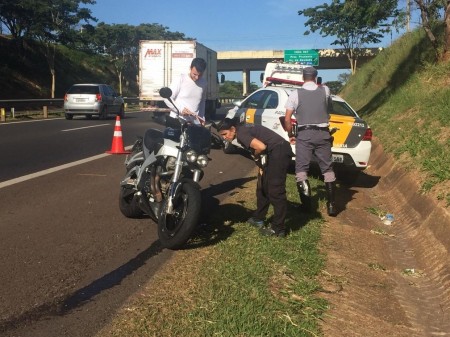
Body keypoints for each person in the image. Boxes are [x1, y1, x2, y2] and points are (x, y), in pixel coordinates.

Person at [218, 118, 294, 237]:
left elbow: (261, 147)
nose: (224, 138)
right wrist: (261, 165)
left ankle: (278, 228)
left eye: (225, 134)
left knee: (275, 191)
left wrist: (256, 156)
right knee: (262, 186)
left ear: (232, 129)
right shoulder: (242, 130)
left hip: (279, 152)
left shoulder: (242, 133)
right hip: (272, 152)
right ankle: (258, 218)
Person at [284, 66, 337, 216]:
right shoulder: (325, 90)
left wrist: (290, 134)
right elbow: (329, 108)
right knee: (327, 168)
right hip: (323, 133)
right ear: (316, 77)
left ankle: (307, 208)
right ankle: (332, 206)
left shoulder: (295, 94)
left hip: (304, 134)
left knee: (301, 169)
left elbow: (287, 119)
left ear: (303, 77)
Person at [164, 57, 207, 126]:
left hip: (194, 124)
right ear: (190, 68)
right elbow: (167, 98)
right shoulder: (181, 79)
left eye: (200, 75)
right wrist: (181, 110)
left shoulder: (204, 83)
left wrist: (201, 118)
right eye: (194, 74)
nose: (197, 77)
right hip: (177, 121)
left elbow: (202, 102)